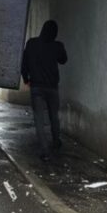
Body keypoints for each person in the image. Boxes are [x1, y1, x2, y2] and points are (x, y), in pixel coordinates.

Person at [21, 20, 68, 161]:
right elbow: (64, 60)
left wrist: (26, 79)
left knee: (39, 119)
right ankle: (56, 141)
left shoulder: (32, 43)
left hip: (36, 87)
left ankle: (44, 150)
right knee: (54, 116)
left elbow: (24, 63)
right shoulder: (57, 46)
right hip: (52, 88)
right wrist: (59, 48)